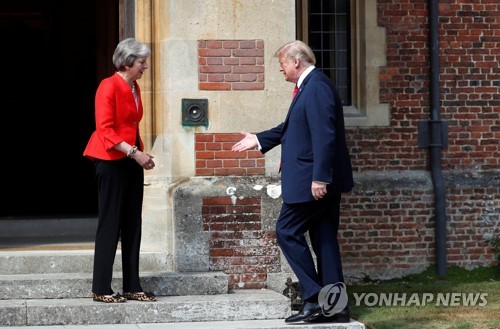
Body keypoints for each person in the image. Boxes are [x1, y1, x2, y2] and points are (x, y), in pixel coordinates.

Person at [232, 40, 354, 323]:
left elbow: (325, 135)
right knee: (324, 241)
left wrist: (320, 177)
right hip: (316, 180)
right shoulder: (309, 87)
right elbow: (293, 128)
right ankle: (335, 309)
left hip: (315, 181)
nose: (281, 69)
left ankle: (313, 297)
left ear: (296, 61)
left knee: (286, 231)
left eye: (282, 64)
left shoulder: (317, 87)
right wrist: (259, 139)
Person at [83, 38, 156, 303]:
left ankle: (132, 285)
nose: (145, 66)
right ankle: (101, 287)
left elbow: (132, 123)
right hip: (111, 159)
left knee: (132, 224)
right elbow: (105, 129)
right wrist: (136, 153)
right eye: (141, 62)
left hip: (130, 160)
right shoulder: (108, 86)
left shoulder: (135, 87)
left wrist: (137, 155)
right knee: (110, 224)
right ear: (127, 62)